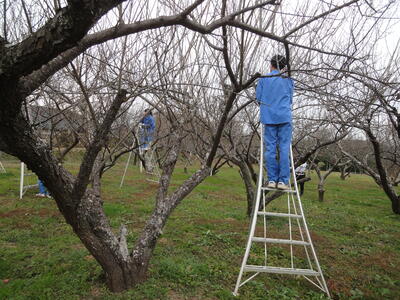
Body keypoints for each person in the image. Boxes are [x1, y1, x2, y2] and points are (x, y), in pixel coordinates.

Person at [256, 54, 294, 190]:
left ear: (271, 64)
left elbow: (258, 98)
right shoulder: (288, 80)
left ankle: (272, 180)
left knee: (270, 148)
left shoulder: (263, 79)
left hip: (269, 118)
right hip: (284, 117)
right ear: (283, 67)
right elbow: (290, 99)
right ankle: (283, 181)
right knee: (284, 148)